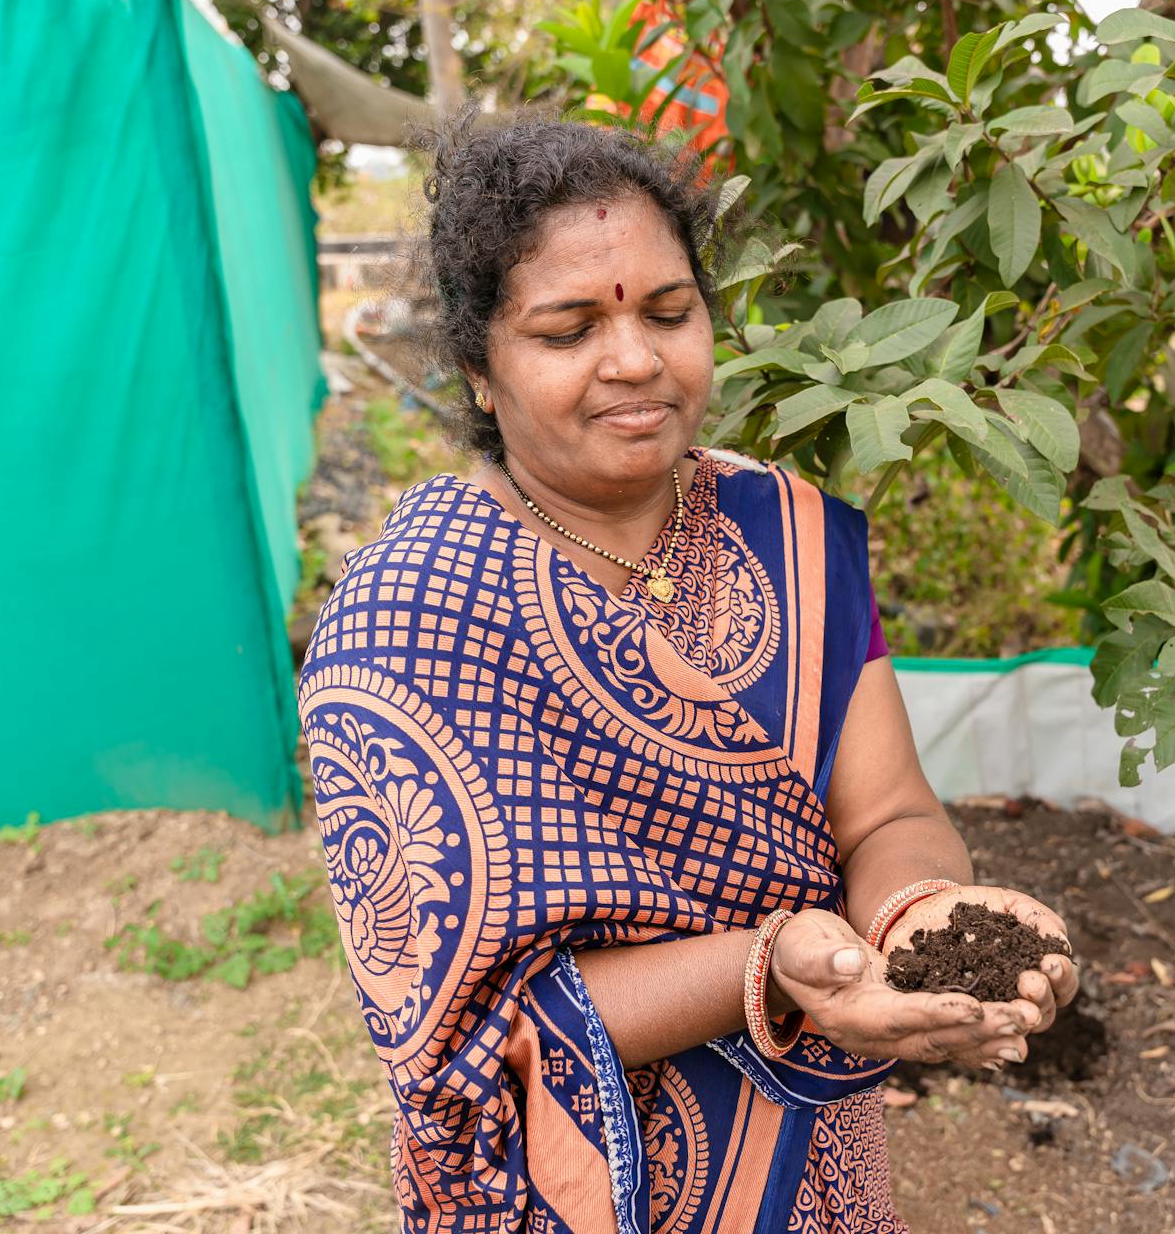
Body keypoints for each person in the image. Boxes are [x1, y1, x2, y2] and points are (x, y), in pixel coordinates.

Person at [296, 111, 1079, 1234]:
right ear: (479, 369)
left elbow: (888, 810)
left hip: (813, 1138)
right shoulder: (407, 622)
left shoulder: (788, 536)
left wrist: (920, 916)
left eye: (670, 311)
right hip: (574, 1172)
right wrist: (769, 961)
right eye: (568, 330)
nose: (636, 359)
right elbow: (468, 1030)